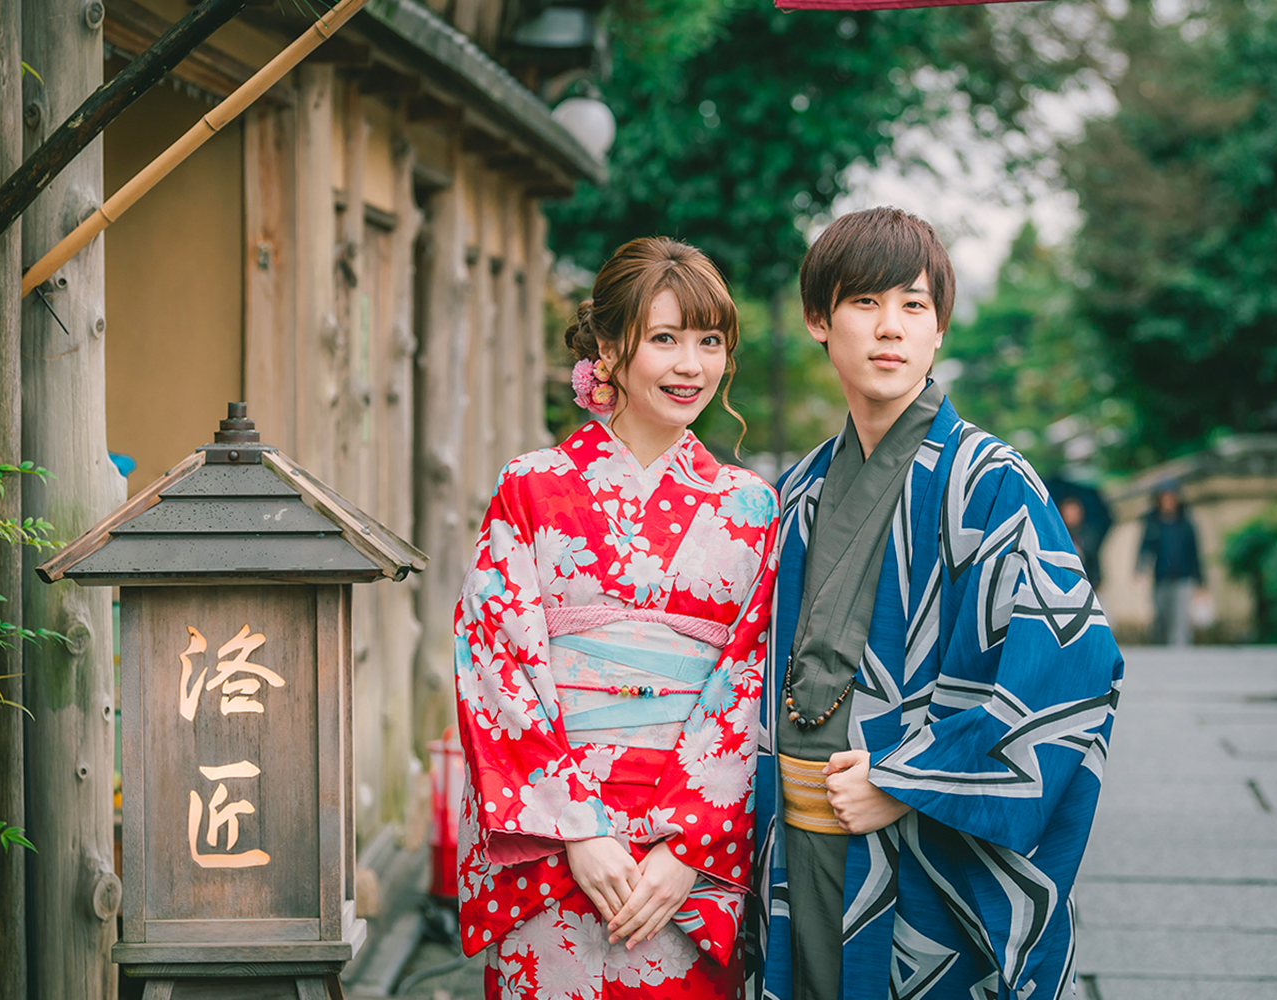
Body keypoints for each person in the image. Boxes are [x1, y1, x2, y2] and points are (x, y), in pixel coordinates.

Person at [753, 208, 1124, 1000]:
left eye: (914, 306)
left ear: (939, 331)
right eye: (864, 303)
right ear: (819, 320)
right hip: (797, 839)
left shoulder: (991, 483)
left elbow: (1075, 667)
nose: (890, 328)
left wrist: (903, 779)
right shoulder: (799, 493)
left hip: (913, 837)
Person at [454, 237, 780, 1000]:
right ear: (607, 347)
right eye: (664, 339)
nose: (691, 365)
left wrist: (686, 849)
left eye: (709, 342)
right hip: (557, 844)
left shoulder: (751, 505)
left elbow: (748, 684)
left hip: (685, 860)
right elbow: (494, 662)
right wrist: (579, 832)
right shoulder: (531, 487)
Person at [1138, 478, 1202, 645]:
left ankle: (1181, 653)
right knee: (1161, 617)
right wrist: (1140, 567)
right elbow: (1145, 547)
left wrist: (1201, 581)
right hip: (1161, 577)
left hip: (1183, 577)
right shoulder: (1153, 523)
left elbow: (1195, 553)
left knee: (1180, 619)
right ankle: (1160, 650)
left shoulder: (1185, 524)